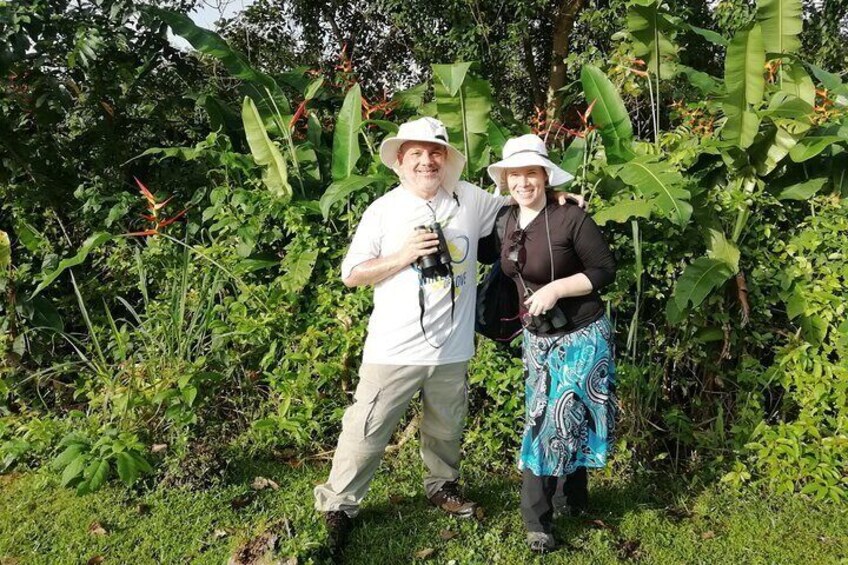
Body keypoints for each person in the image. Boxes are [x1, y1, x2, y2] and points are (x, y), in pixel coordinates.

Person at [485, 134, 617, 553]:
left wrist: (558, 288)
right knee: (554, 417)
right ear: (505, 180)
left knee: (555, 420)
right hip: (537, 338)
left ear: (545, 176)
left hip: (581, 334)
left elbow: (604, 269)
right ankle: (572, 499)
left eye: (531, 173)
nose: (523, 182)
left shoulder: (570, 218)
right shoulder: (503, 220)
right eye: (515, 175)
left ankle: (537, 520)